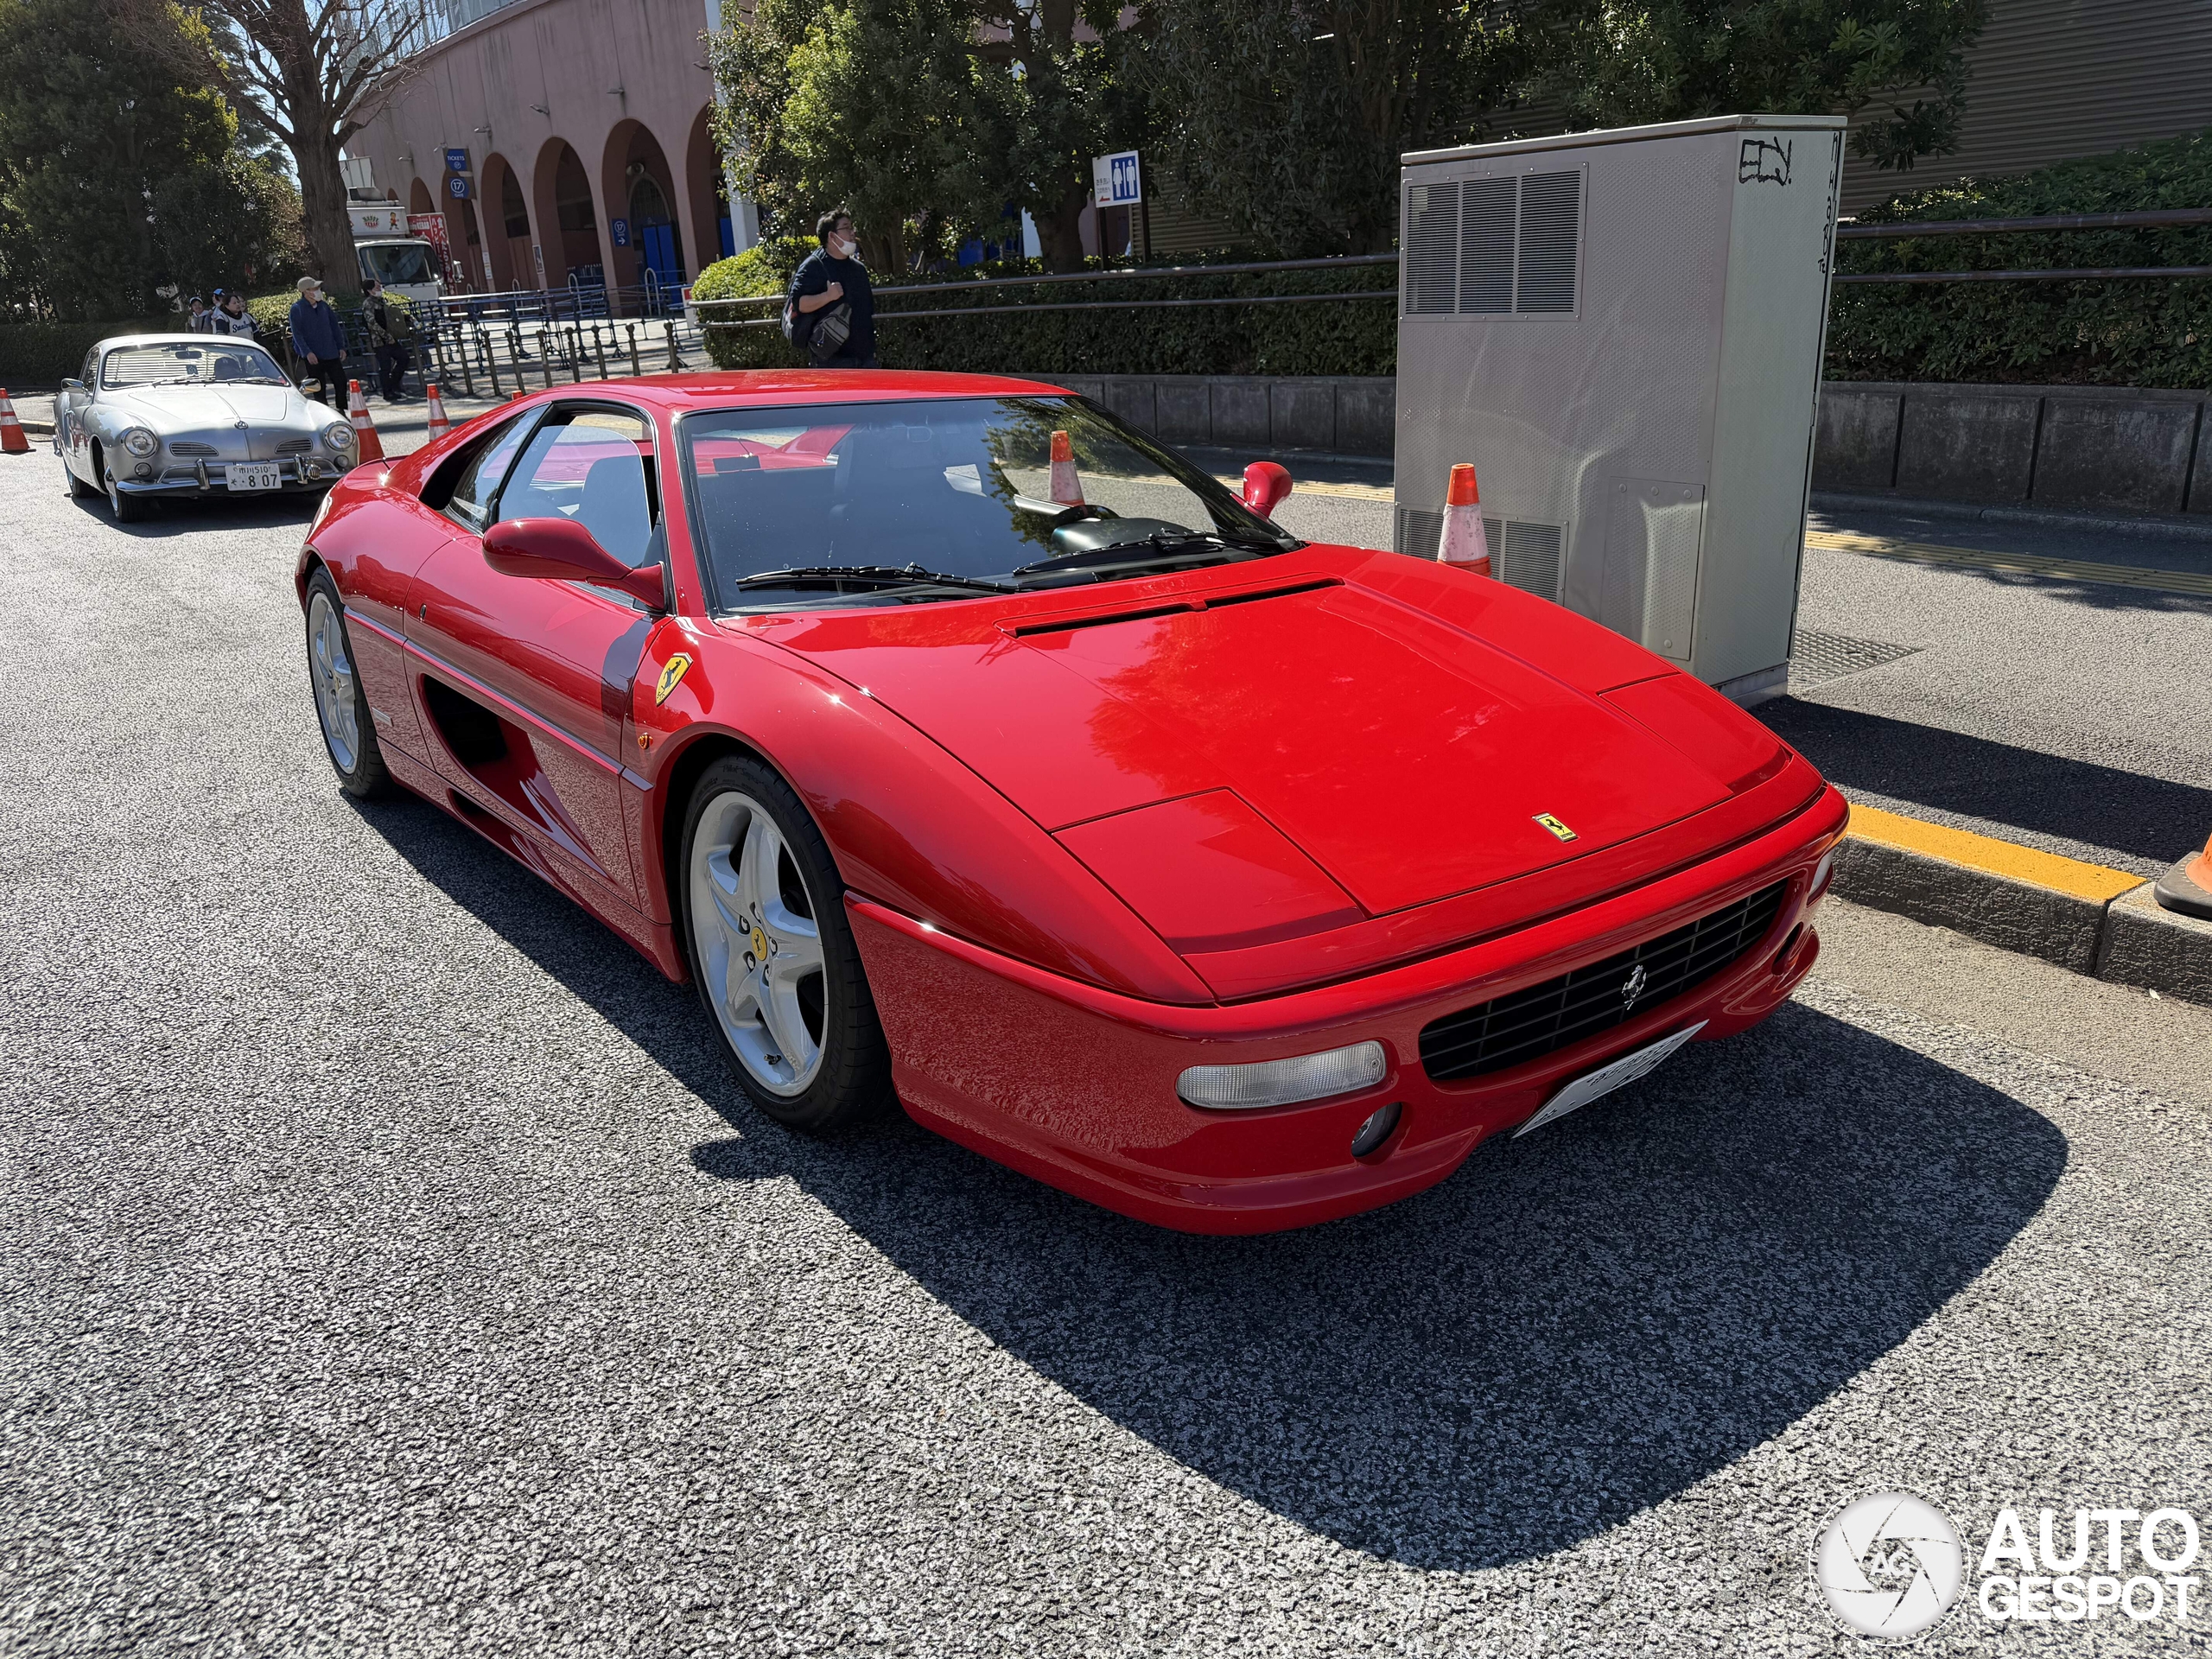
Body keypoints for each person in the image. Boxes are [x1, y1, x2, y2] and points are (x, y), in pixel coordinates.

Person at [789, 208, 876, 369]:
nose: (852, 233)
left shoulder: (858, 269)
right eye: (846, 227)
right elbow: (800, 304)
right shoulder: (814, 266)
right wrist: (828, 296)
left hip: (865, 358)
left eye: (852, 227)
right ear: (831, 236)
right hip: (830, 360)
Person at [289, 276, 348, 407]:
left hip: (331, 351)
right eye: (314, 288)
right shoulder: (297, 308)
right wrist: (307, 352)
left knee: (341, 382)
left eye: (318, 288)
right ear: (305, 291)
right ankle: (323, 411)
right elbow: (297, 334)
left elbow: (335, 327)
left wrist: (341, 346)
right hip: (313, 355)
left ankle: (341, 409)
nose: (318, 291)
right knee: (318, 387)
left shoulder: (324, 306)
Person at [360, 277, 411, 404]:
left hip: (392, 338)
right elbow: (371, 323)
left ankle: (394, 384)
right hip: (379, 341)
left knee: (404, 358)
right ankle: (387, 392)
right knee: (385, 367)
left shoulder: (382, 301)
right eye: (377, 287)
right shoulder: (368, 303)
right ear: (369, 290)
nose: (380, 289)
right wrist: (386, 336)